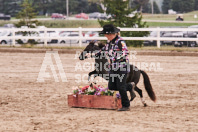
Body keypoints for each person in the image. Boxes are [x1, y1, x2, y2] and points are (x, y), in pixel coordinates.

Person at [95, 24, 136, 111]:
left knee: (121, 87)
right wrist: (96, 54)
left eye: (106, 34)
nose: (105, 36)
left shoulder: (120, 42)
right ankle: (129, 86)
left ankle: (126, 105)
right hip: (113, 68)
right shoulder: (109, 42)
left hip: (122, 67)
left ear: (111, 34)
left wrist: (113, 59)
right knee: (111, 86)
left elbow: (124, 53)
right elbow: (104, 49)